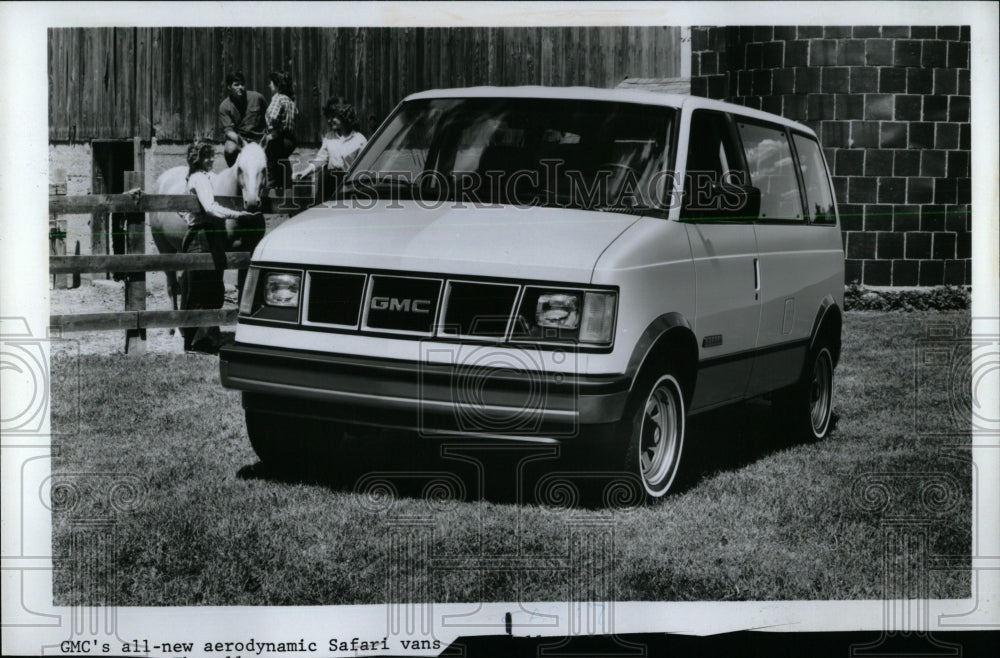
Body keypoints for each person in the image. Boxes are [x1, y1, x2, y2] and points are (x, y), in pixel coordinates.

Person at [180, 141, 254, 353]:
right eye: (206, 157)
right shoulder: (198, 178)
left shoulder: (206, 177)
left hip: (210, 236)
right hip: (201, 237)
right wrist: (237, 214)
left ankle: (206, 338)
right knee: (199, 288)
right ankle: (194, 342)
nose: (212, 160)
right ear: (197, 159)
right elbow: (211, 208)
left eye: (212, 156)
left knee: (212, 287)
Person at [292, 100, 368, 198]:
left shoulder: (360, 140)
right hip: (330, 184)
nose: (329, 120)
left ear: (344, 116)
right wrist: (305, 171)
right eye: (328, 117)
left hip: (349, 185)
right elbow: (321, 159)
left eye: (333, 117)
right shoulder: (329, 137)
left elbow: (364, 168)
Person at [218, 71, 267, 167]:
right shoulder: (224, 106)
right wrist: (241, 141)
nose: (241, 87)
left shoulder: (257, 97)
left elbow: (269, 116)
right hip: (240, 139)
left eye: (242, 84)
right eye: (236, 85)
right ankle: (235, 173)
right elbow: (228, 131)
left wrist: (266, 136)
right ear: (229, 87)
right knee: (230, 149)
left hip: (258, 137)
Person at [262, 71, 298, 193]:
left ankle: (273, 186)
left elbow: (272, 116)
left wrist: (272, 131)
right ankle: (287, 185)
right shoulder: (290, 100)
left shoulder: (278, 98)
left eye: (271, 83)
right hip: (290, 139)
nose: (269, 85)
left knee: (272, 161)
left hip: (279, 138)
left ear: (277, 85)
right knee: (282, 161)